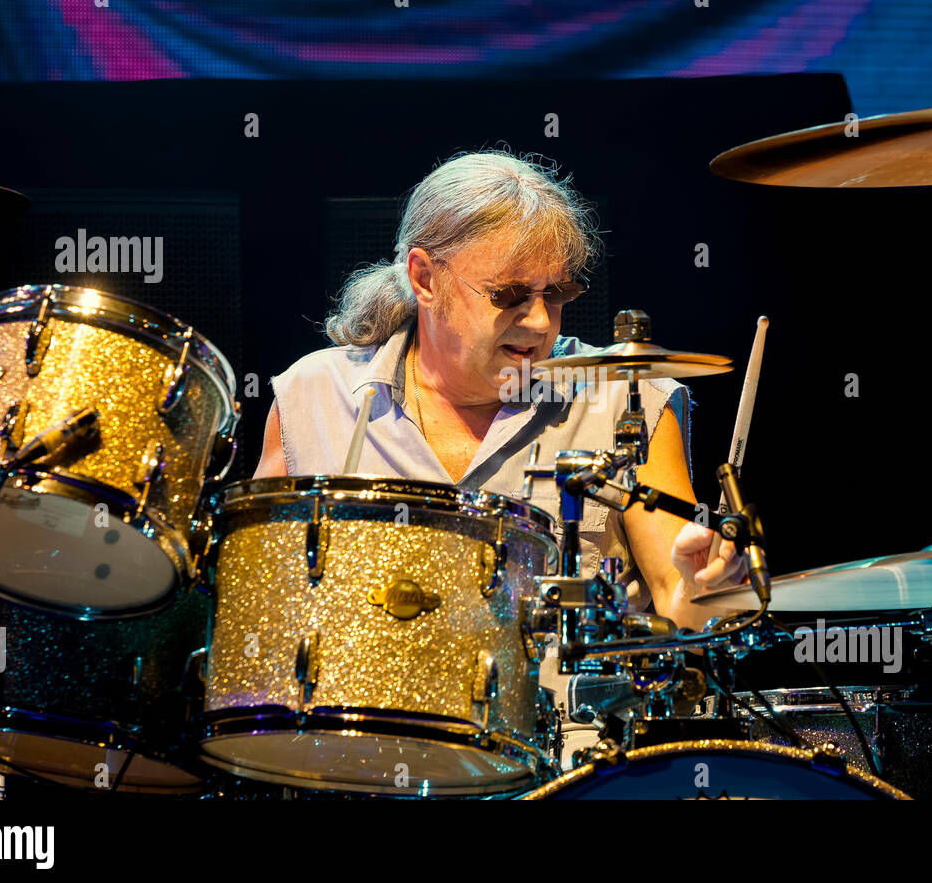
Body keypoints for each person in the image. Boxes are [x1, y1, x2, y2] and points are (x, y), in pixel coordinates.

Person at [255, 150, 746, 757]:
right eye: (510, 295)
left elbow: (682, 600)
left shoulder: (624, 397)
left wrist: (710, 588)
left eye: (556, 294)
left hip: (567, 766)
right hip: (353, 757)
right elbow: (254, 605)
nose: (539, 322)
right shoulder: (313, 396)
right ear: (425, 278)